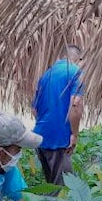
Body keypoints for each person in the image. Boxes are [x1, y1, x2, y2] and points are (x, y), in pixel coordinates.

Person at [33, 45, 85, 185]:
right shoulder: (76, 72)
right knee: (63, 190)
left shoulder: (45, 75)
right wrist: (74, 134)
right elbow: (75, 105)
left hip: (40, 136)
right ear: (79, 59)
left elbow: (35, 110)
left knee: (51, 186)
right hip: (59, 138)